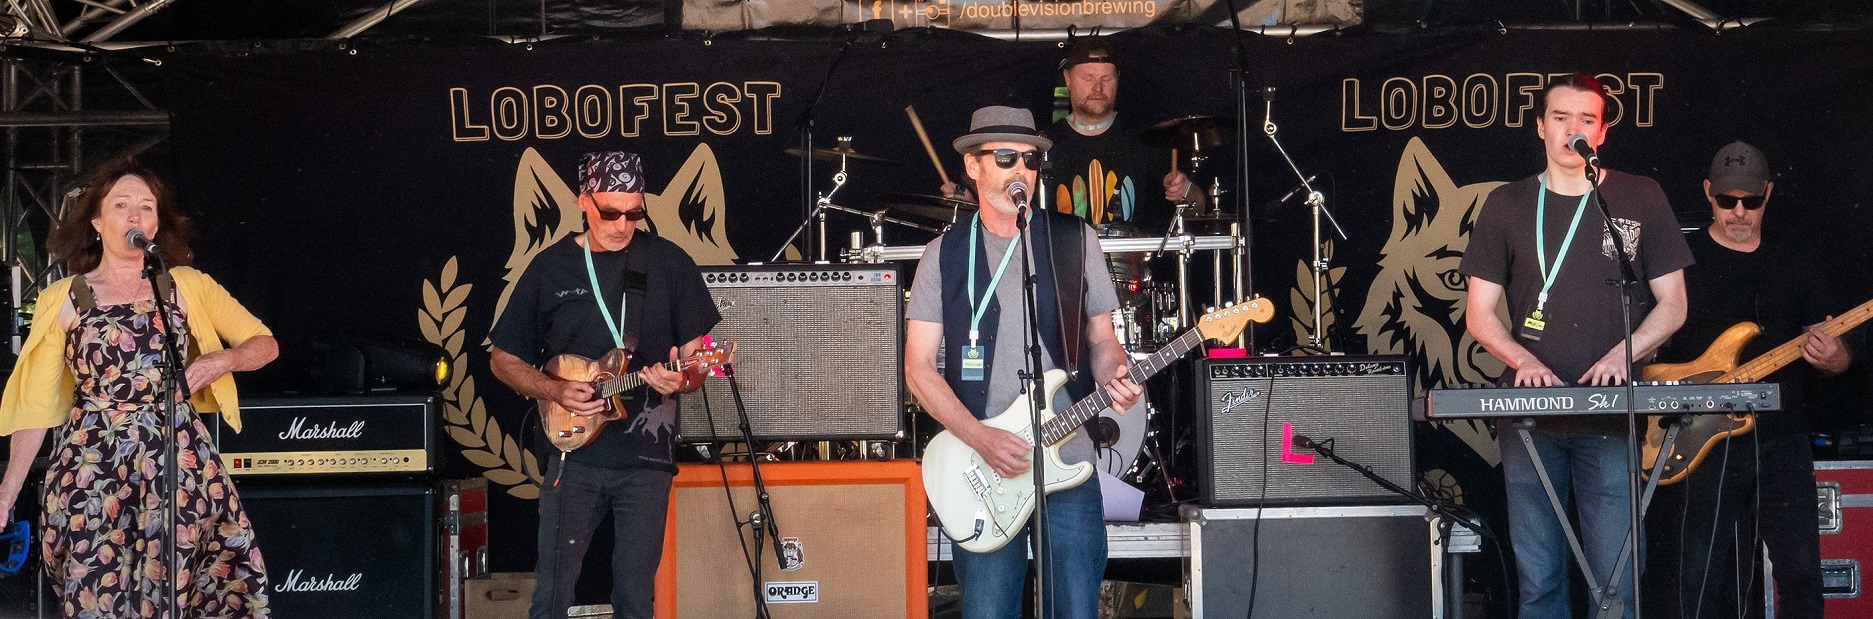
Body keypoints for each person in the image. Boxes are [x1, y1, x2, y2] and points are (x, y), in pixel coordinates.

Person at [1460, 73, 1694, 618]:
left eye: (1585, 120)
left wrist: (1622, 354)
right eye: (1560, 118)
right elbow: (1478, 314)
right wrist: (1524, 360)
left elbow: (1674, 305)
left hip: (1610, 411)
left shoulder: (1638, 196)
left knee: (1614, 572)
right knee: (1538, 574)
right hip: (1528, 415)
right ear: (1540, 127)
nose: (1572, 129)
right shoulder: (1507, 203)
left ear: (1602, 132)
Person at [0, 159, 276, 616]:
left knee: (194, 584)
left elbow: (265, 344)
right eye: (122, 205)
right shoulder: (63, 298)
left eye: (146, 208)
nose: (135, 217)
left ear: (157, 224)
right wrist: (8, 491)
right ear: (96, 223)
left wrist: (220, 360)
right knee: (99, 588)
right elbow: (34, 405)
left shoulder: (186, 285)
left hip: (177, 461)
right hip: (93, 469)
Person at [905, 105, 1143, 618]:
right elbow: (918, 368)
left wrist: (1116, 374)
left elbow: (1102, 341)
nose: (1022, 171)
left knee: (1077, 609)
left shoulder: (1073, 239)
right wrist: (981, 438)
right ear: (972, 165)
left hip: (1069, 459)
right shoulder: (942, 255)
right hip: (983, 461)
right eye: (1006, 157)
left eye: (1031, 160)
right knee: (989, 611)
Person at [488, 151, 719, 619]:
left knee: (635, 598)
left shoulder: (670, 263)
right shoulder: (550, 268)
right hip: (572, 456)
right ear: (582, 202)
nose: (622, 224)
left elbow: (699, 361)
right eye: (610, 212)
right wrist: (552, 391)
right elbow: (502, 359)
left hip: (645, 457)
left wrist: (682, 378)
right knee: (552, 594)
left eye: (634, 212)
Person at [1643, 141, 1853, 617]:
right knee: (1698, 577)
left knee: (1801, 572)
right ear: (1708, 194)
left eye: (1751, 201)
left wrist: (1834, 356)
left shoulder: (1795, 262)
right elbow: (1650, 354)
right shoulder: (1682, 265)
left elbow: (1836, 355)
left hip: (1783, 442)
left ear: (1768, 194)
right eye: (1726, 200)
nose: (1739, 212)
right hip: (1703, 441)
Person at [943, 36, 1196, 233]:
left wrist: (1186, 191)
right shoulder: (1042, 145)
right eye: (1088, 78)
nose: (1098, 87)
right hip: (1059, 272)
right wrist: (968, 204)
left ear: (1118, 79)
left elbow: (1199, 207)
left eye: (1106, 78)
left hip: (1130, 273)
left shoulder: (1147, 140)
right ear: (1067, 79)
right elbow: (1007, 210)